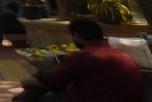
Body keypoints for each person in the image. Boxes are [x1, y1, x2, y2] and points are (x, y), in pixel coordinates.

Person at [14, 17, 145, 102]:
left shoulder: (84, 56)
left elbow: (52, 82)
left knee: (38, 95)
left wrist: (25, 81)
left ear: (77, 36)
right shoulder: (120, 53)